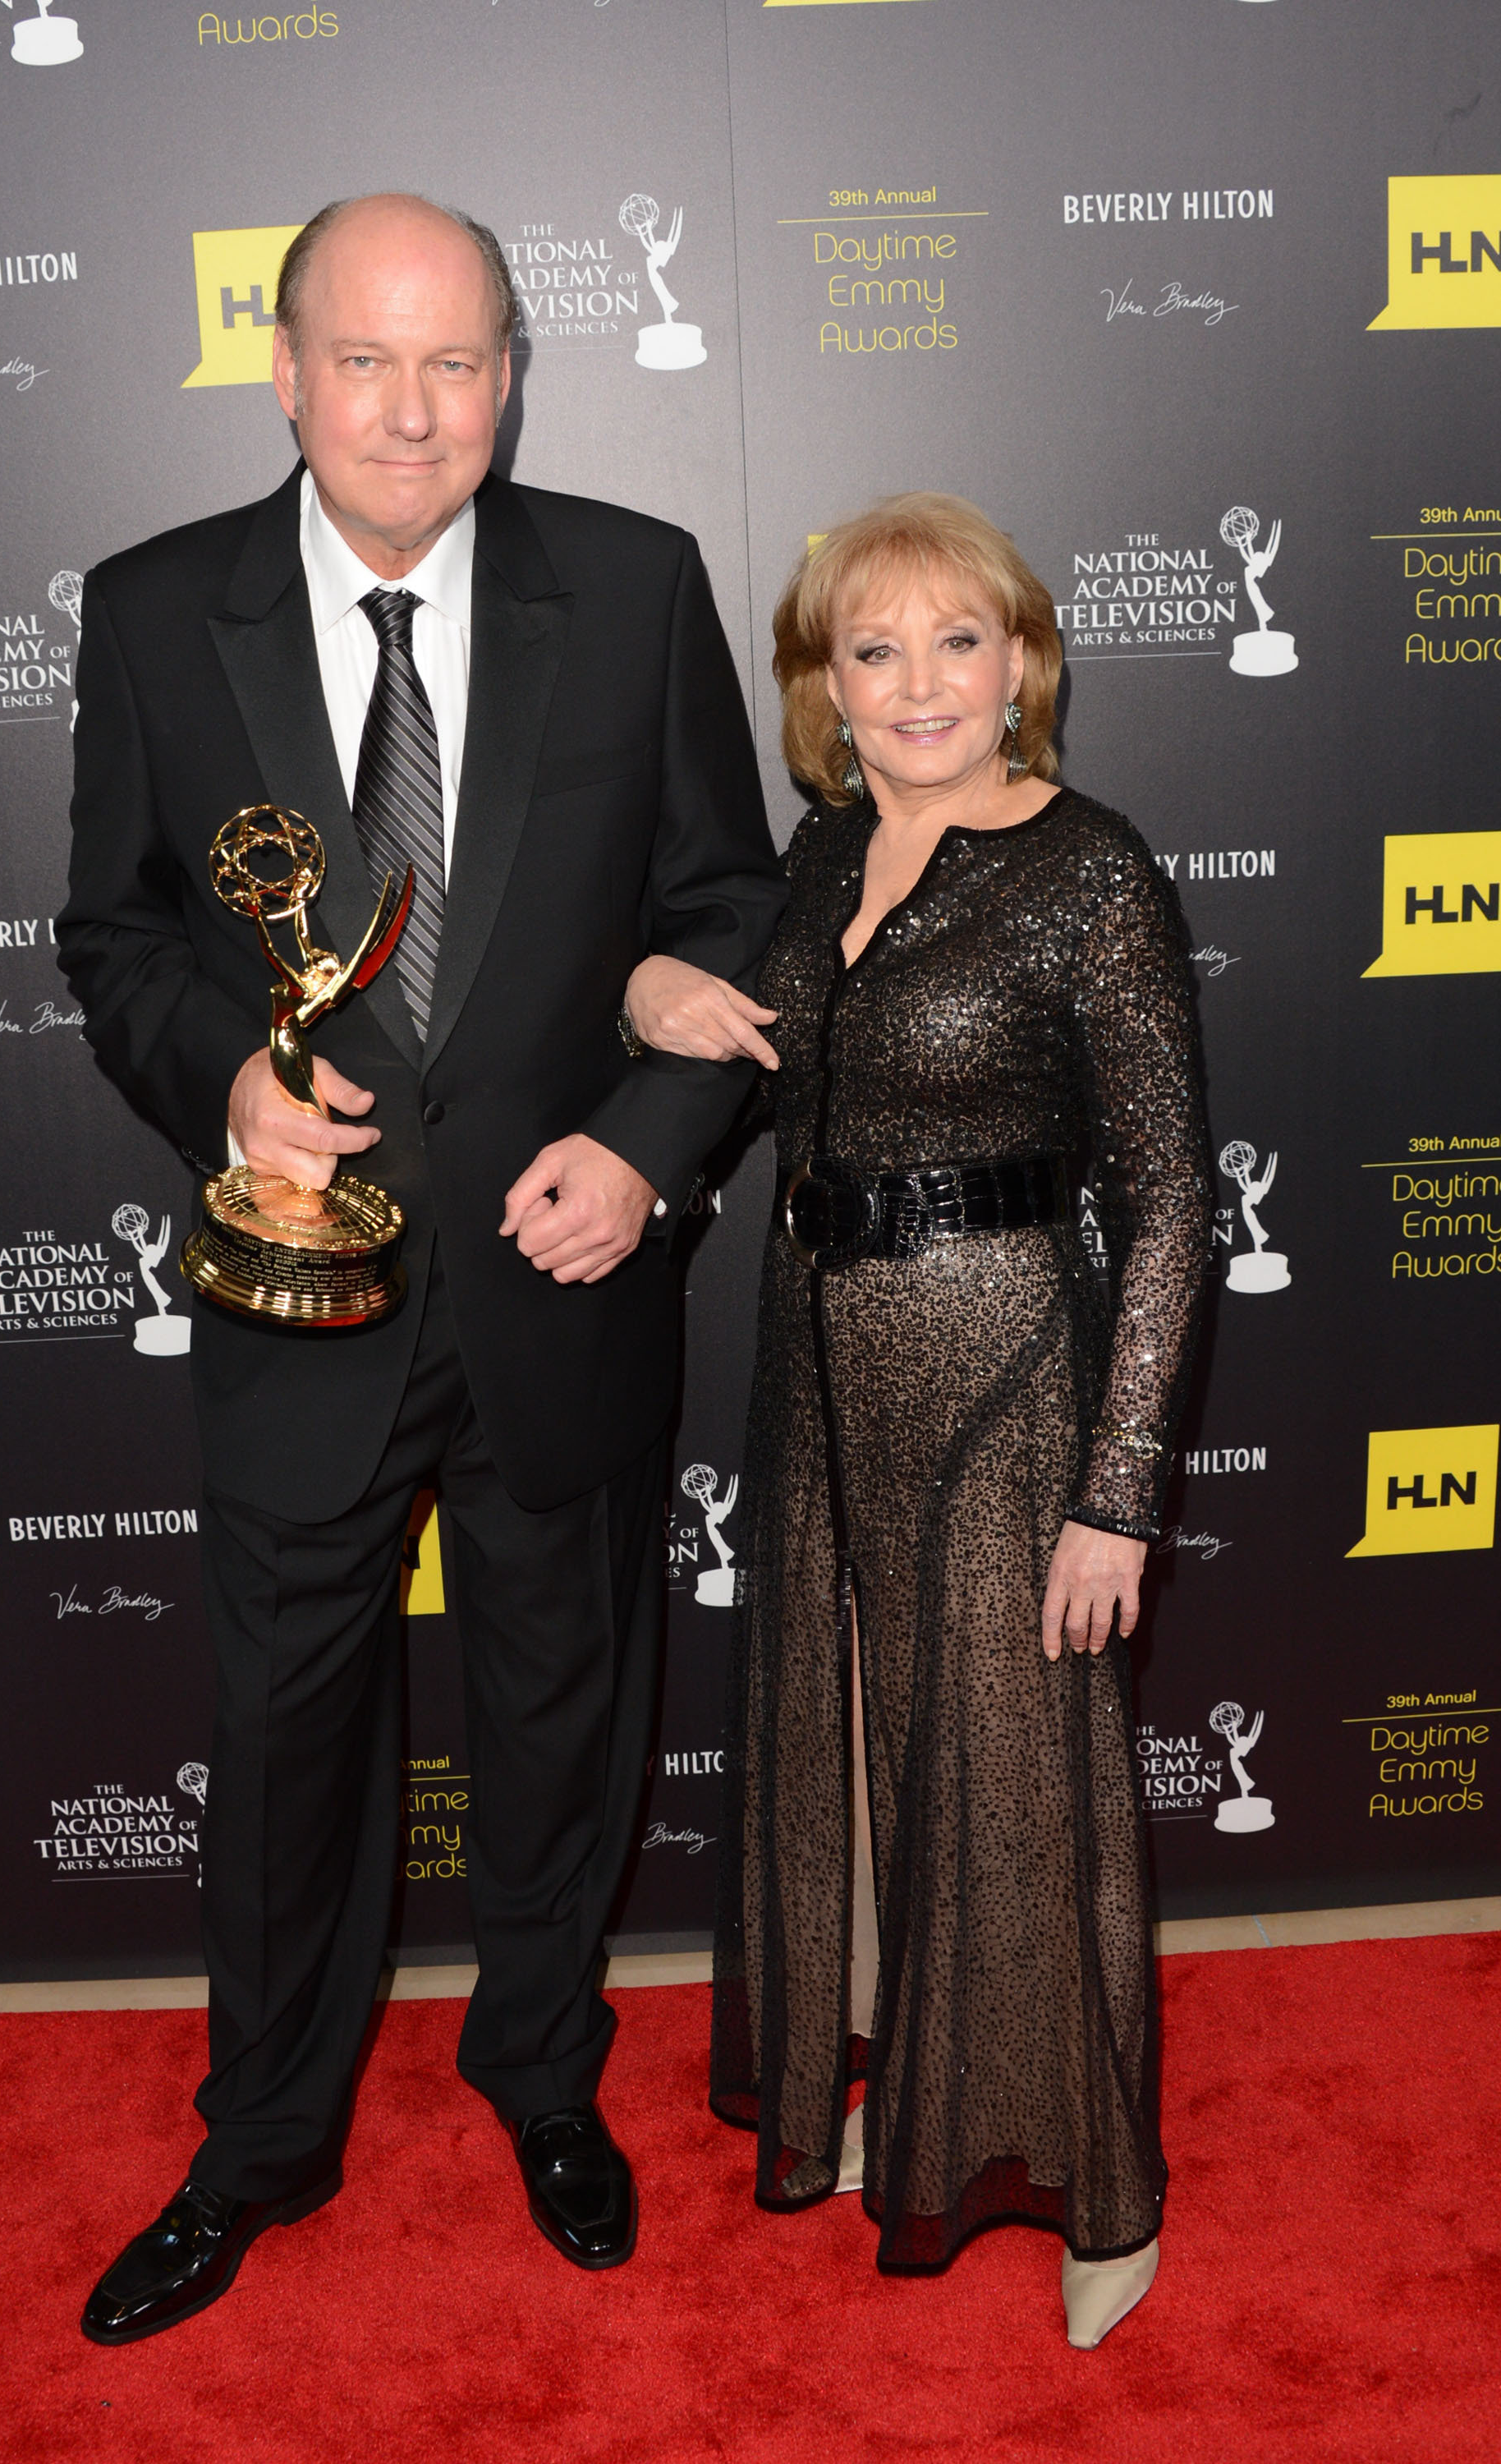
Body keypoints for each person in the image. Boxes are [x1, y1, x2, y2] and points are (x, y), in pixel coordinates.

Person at [58, 193, 785, 2342]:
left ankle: (542, 2077)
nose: (409, 408)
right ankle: (263, 2139)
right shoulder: (155, 610)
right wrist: (229, 1092)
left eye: (453, 361)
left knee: (564, 1714)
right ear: (280, 369)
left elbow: (729, 912)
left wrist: (648, 1155)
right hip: (304, 1293)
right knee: (287, 1738)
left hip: (564, 1282)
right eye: (362, 361)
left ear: (509, 375)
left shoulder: (634, 588)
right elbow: (112, 934)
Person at [624, 495, 1211, 2349]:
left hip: (1009, 1380)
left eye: (956, 641)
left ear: (1021, 662)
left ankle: (1093, 2190)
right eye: (870, 651)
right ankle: (909, 2074)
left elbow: (1174, 1200)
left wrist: (1115, 1494)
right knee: (858, 1762)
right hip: (810, 1373)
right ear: (822, 690)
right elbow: (731, 1040)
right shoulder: (817, 859)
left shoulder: (1087, 870)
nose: (917, 683)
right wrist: (647, 983)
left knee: (1022, 1790)